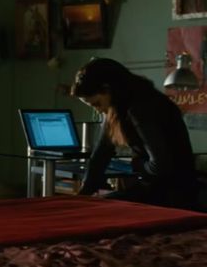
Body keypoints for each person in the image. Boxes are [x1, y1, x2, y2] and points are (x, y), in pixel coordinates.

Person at [70, 57, 198, 210]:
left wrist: (138, 165)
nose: (98, 110)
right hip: (157, 186)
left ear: (108, 89)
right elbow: (101, 154)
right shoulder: (119, 106)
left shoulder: (141, 108)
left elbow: (161, 166)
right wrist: (83, 196)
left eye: (97, 103)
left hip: (174, 193)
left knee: (104, 209)